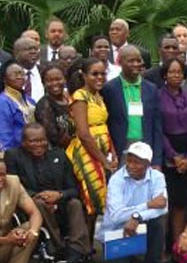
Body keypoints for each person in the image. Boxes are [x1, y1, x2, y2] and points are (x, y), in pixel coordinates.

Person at [5, 123, 90, 263]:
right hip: (29, 207)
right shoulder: (14, 156)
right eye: (33, 141)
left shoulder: (59, 155)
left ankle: (77, 250)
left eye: (42, 140)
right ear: (24, 142)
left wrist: (59, 195)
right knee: (39, 203)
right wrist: (40, 197)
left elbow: (74, 188)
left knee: (75, 203)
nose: (39, 144)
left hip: (60, 204)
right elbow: (13, 186)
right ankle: (59, 247)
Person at [100, 142, 173, 263]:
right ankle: (129, 258)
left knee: (157, 222)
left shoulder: (157, 177)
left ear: (147, 164)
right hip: (116, 232)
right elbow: (116, 216)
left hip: (140, 227)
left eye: (137, 162)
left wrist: (137, 217)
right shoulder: (117, 179)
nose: (131, 165)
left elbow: (162, 208)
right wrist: (146, 205)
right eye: (129, 160)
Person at [66, 58, 117, 235]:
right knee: (91, 200)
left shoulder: (99, 96)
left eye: (103, 73)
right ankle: (84, 252)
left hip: (102, 150)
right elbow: (84, 134)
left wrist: (113, 153)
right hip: (87, 152)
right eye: (95, 74)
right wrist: (103, 160)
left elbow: (104, 126)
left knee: (98, 203)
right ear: (84, 75)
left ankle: (90, 249)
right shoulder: (80, 96)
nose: (100, 77)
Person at [160, 57, 187, 246]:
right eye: (172, 72)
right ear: (165, 75)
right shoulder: (158, 96)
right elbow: (158, 130)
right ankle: (162, 248)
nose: (176, 75)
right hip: (167, 154)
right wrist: (174, 156)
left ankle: (178, 246)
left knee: (181, 204)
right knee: (166, 202)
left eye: (179, 72)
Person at [102, 45, 163, 167]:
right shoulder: (110, 88)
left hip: (146, 146)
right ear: (120, 62)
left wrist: (157, 161)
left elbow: (157, 125)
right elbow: (106, 122)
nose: (136, 64)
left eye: (139, 60)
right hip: (120, 148)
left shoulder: (151, 89)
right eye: (131, 61)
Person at [0, 61, 36, 154]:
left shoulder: (30, 100)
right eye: (14, 74)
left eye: (21, 73)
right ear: (4, 79)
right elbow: (1, 134)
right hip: (14, 154)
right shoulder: (1, 102)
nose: (19, 77)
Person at [0, 37, 42, 101]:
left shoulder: (44, 72)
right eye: (29, 49)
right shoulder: (2, 76)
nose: (33, 52)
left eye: (36, 49)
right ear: (16, 52)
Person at [34, 64, 74, 149]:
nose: (54, 83)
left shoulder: (71, 98)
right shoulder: (44, 105)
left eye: (58, 79)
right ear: (43, 83)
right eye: (49, 80)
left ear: (65, 79)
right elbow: (53, 138)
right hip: (59, 153)